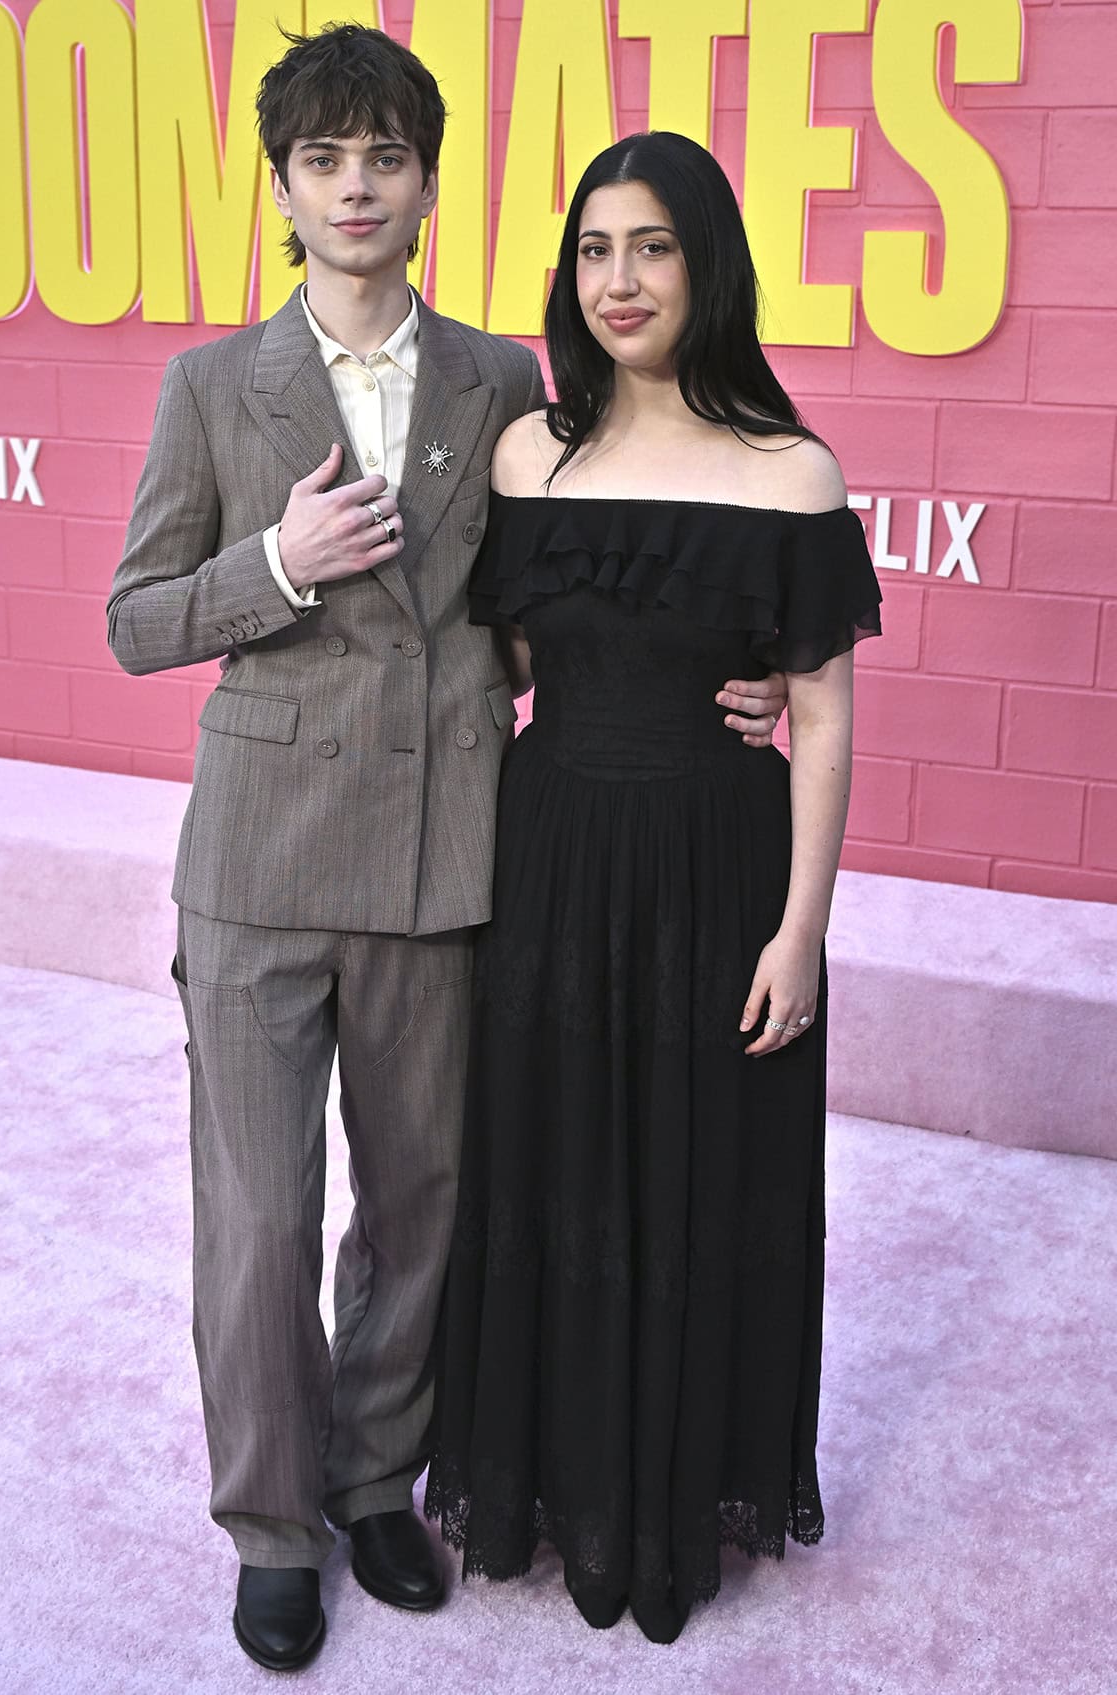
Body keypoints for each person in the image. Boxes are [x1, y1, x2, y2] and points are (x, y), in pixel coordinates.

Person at [106, 29, 788, 1672]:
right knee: (260, 1227)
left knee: (420, 1211)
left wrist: (711, 671)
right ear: (281, 187)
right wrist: (273, 558)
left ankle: (369, 1484)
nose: (358, 184)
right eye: (326, 158)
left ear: (425, 181)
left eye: (386, 156)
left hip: (439, 864)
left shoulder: (501, 380)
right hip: (261, 868)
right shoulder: (212, 386)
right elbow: (134, 622)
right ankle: (270, 1527)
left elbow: (556, 599)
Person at [425, 130, 882, 1645]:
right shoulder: (527, 455)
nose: (618, 280)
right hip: (553, 863)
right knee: (553, 1168)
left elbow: (821, 715)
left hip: (720, 871)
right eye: (595, 249)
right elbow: (509, 672)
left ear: (709, 264)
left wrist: (803, 928)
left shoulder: (790, 469)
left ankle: (673, 1508)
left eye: (653, 247)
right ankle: (559, 1478)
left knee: (701, 1176)